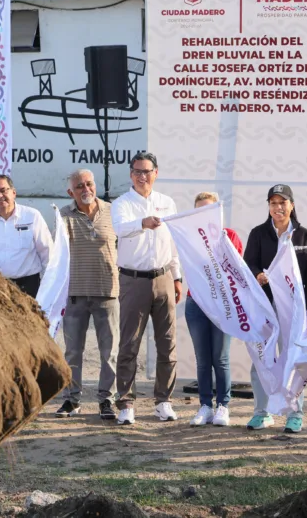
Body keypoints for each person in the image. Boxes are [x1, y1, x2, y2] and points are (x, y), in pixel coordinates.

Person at [111, 152, 182, 425]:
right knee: (129, 344)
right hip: (133, 279)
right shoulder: (122, 203)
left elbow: (173, 243)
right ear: (131, 174)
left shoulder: (167, 202)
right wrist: (142, 223)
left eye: (147, 171)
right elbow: (119, 229)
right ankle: (126, 403)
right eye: (137, 171)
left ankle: (164, 401)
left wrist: (177, 277)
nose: (142, 176)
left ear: (156, 173)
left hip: (164, 277)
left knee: (167, 343)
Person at [244, 184, 307, 433]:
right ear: (269, 207)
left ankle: (294, 414)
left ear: (291, 205)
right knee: (261, 359)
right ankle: (262, 413)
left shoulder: (303, 235)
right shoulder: (258, 233)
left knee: (293, 360)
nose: (278, 207)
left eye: (282, 203)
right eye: (273, 203)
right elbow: (248, 264)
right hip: (264, 306)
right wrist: (258, 275)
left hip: (293, 309)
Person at [55, 169, 119, 420]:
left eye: (89, 184)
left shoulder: (114, 211)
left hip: (108, 291)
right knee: (72, 352)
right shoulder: (63, 215)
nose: (86, 189)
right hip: (75, 293)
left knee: (109, 352)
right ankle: (72, 400)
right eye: (79, 186)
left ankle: (106, 400)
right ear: (70, 192)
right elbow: (58, 252)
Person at [186, 192, 243, 428]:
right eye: (200, 210)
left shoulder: (229, 236)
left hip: (223, 305)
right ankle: (205, 406)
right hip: (196, 303)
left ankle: (223, 405)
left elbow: (236, 270)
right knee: (202, 359)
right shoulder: (189, 238)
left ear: (217, 211)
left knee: (220, 357)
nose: (204, 214)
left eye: (209, 209)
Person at [0, 175, 52, 297]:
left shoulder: (32, 216)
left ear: (14, 192)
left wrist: (49, 284)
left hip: (30, 286)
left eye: (3, 190)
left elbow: (47, 252)